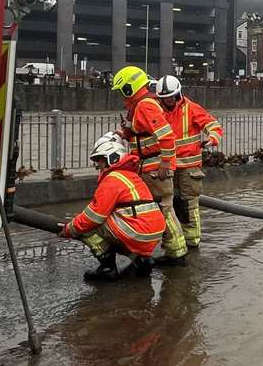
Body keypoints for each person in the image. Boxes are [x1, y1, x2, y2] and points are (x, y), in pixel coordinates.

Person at [60, 132, 165, 282]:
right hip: (153, 232)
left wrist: (70, 229)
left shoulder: (112, 180)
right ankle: (142, 261)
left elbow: (93, 216)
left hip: (137, 231)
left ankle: (107, 268)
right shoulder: (132, 176)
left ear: (112, 158)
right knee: (115, 227)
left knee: (88, 227)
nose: (98, 165)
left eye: (100, 160)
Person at [111, 65, 186, 266]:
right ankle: (172, 250)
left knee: (164, 208)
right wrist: (124, 134)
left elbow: (166, 137)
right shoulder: (140, 106)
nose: (121, 96)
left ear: (129, 88)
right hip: (148, 166)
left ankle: (176, 252)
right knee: (158, 208)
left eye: (122, 91)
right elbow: (142, 134)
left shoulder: (145, 105)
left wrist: (164, 164)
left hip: (155, 167)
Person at [155, 74, 224, 251]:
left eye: (170, 97)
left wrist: (212, 139)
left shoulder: (191, 108)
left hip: (188, 166)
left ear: (178, 94)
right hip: (167, 166)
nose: (168, 101)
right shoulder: (158, 110)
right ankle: (175, 239)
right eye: (164, 98)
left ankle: (192, 241)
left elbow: (213, 125)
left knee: (188, 203)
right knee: (168, 204)